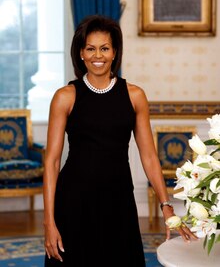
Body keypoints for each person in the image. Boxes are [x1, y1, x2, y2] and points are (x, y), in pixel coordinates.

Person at [43, 14, 197, 267]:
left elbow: (148, 156)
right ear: (81, 53)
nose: (98, 55)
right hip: (74, 201)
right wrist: (49, 221)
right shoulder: (65, 97)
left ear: (115, 52)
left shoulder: (135, 96)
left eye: (104, 48)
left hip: (118, 201)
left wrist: (167, 206)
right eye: (90, 49)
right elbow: (52, 161)